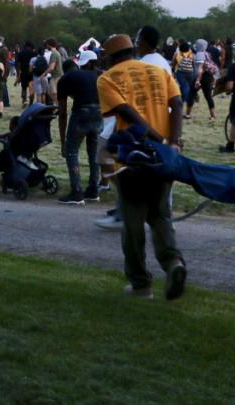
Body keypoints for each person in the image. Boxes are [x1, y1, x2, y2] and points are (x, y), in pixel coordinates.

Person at [96, 34, 186, 300]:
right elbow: (177, 104)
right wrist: (173, 141)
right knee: (160, 216)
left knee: (133, 222)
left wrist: (155, 139)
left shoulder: (108, 78)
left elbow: (126, 112)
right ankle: (174, 264)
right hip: (164, 157)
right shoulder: (159, 71)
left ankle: (141, 284)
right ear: (133, 51)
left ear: (111, 57)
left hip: (132, 158)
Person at [56, 49, 102, 205]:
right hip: (99, 114)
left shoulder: (65, 79)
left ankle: (76, 192)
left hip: (81, 114)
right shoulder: (99, 76)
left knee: (72, 152)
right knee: (94, 153)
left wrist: (63, 142)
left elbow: (62, 113)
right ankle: (93, 190)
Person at [171, 41, 195, 119]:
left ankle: (182, 104)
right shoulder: (191, 54)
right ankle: (188, 100)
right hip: (190, 73)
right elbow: (193, 65)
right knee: (186, 89)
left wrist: (173, 72)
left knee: (183, 89)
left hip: (180, 74)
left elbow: (173, 64)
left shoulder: (178, 55)